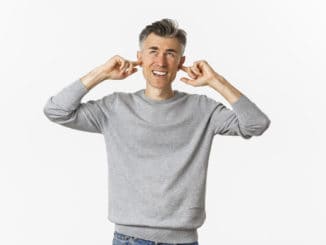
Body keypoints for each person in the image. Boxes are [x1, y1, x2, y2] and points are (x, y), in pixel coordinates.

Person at [43, 18, 271, 245]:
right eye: (153, 51)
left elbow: (256, 124)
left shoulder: (202, 109)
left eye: (170, 53)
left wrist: (215, 81)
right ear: (140, 58)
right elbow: (56, 111)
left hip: (183, 240)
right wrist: (102, 73)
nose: (161, 61)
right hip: (129, 239)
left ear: (181, 61)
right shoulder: (114, 108)